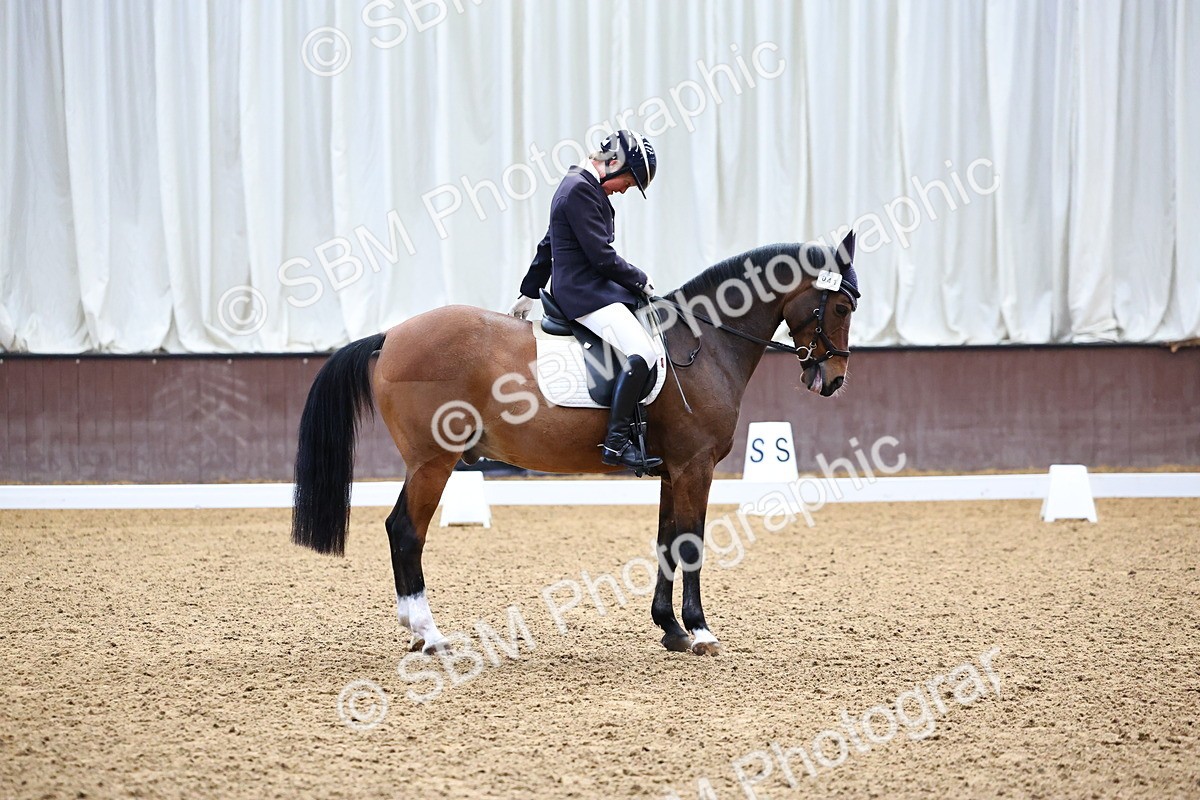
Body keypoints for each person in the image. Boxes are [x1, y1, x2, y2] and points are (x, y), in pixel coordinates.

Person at [508, 130, 662, 471]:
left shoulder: (580, 185)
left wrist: (529, 290)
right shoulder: (580, 190)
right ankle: (616, 442)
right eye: (628, 182)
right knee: (644, 353)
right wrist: (642, 280)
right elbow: (602, 257)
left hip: (591, 288)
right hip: (585, 295)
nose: (626, 190)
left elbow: (549, 242)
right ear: (613, 164)